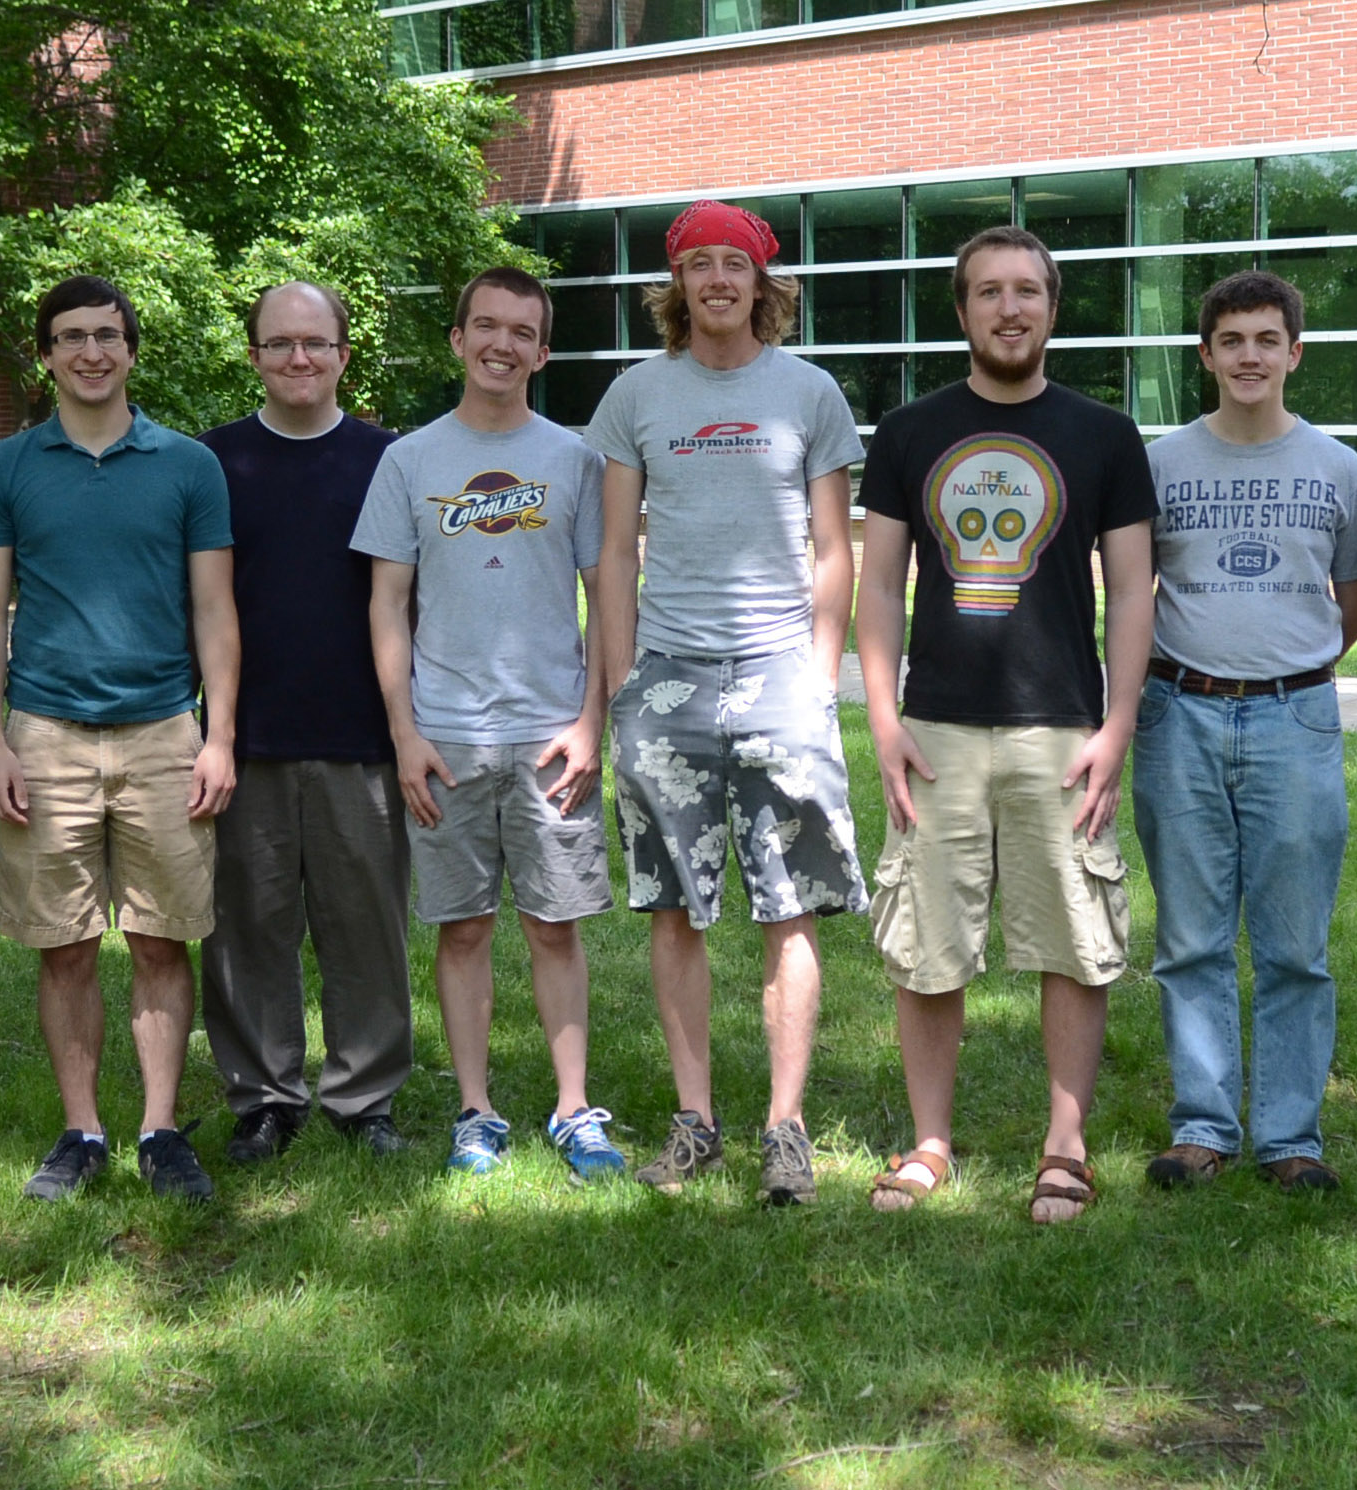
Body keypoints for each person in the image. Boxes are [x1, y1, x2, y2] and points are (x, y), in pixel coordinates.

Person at [855, 226, 1157, 1223]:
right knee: (926, 940)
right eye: (989, 291)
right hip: (936, 728)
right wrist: (883, 712)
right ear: (963, 310)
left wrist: (1116, 726)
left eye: (1027, 290)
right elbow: (879, 586)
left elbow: (1131, 590)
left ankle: (1064, 1147)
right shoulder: (907, 433)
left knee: (1072, 938)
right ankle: (929, 1141)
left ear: (1052, 307)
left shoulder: (1105, 437)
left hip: (1061, 729)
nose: (1009, 308)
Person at [586, 200, 866, 1206]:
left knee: (789, 906)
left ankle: (785, 1129)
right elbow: (616, 551)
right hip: (668, 674)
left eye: (732, 264)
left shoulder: (809, 393)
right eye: (698, 264)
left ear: (762, 283)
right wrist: (624, 682)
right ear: (677, 286)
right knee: (674, 905)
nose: (716, 280)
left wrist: (818, 673)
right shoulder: (634, 396)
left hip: (780, 671)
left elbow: (836, 548)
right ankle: (696, 1123)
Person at [0, 275, 239, 1203]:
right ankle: (80, 1131)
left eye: (107, 337)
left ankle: (161, 1131)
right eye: (71, 337)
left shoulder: (188, 465)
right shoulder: (6, 468)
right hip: (45, 735)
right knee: (65, 944)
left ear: (130, 350)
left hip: (165, 731)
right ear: (44, 353)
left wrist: (219, 735)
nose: (91, 353)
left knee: (164, 939)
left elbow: (214, 609)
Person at [354, 268, 622, 1181]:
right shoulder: (410, 460)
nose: (501, 344)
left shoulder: (575, 460)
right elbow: (387, 605)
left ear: (542, 353)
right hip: (448, 737)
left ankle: (574, 1107)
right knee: (462, 928)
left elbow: (606, 598)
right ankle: (476, 1111)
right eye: (486, 327)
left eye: (521, 332)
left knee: (556, 926)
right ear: (458, 339)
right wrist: (404, 733)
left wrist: (594, 721)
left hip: (553, 737)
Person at [1133, 270, 1357, 1195]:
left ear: (1294, 354)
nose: (1248, 357)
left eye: (1266, 341)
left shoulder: (1338, 469)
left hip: (1294, 714)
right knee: (1190, 936)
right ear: (1206, 356)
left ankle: (1289, 1136)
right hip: (1179, 711)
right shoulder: (1162, 464)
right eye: (1231, 342)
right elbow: (1135, 591)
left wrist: (1280, 665)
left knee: (1294, 944)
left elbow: (1352, 603)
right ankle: (1202, 1124)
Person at [198, 282, 414, 1162]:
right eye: (279, 344)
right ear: (253, 355)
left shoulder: (388, 461)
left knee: (366, 928)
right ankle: (263, 1095)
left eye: (316, 344)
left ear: (343, 355)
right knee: (246, 925)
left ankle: (365, 1098)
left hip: (360, 734)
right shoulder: (210, 463)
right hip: (244, 738)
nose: (298, 359)